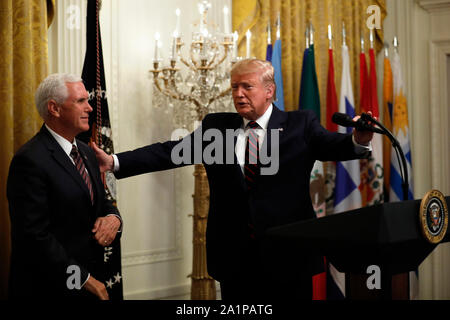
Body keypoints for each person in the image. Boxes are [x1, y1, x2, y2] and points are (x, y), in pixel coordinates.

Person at [93, 59, 373, 300]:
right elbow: (170, 152)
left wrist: (358, 139)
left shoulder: (300, 124)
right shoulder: (218, 127)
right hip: (235, 260)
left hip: (289, 258)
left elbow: (333, 145)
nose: (238, 94)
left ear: (269, 91)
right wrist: (115, 161)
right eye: (234, 87)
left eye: (246, 87)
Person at [7, 74, 122, 300]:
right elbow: (33, 237)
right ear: (54, 108)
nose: (90, 108)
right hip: (50, 289)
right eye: (80, 101)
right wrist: (84, 279)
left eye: (88, 101)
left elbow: (102, 202)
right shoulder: (29, 160)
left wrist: (114, 218)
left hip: (92, 283)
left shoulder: (88, 152)